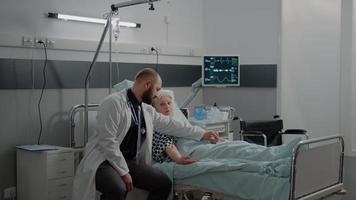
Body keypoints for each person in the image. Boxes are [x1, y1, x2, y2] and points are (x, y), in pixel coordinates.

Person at [72, 68, 219, 200]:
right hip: (104, 161)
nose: (157, 95)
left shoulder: (145, 109)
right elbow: (107, 142)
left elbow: (170, 124)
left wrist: (202, 133)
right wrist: (124, 173)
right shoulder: (113, 103)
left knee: (163, 184)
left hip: (129, 161)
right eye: (157, 89)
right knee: (117, 188)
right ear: (147, 85)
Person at [151, 90, 196, 164]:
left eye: (169, 103)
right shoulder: (159, 127)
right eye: (162, 104)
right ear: (154, 110)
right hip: (166, 156)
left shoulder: (173, 123)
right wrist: (179, 158)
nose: (167, 106)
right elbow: (168, 145)